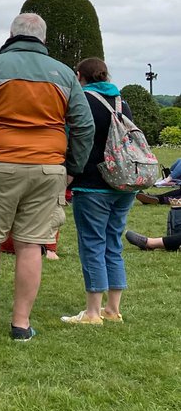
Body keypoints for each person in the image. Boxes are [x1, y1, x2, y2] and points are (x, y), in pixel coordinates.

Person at [0, 12, 94, 340]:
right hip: (48, 168)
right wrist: (72, 167)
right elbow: (84, 125)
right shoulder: (63, 74)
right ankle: (21, 324)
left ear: (11, 35)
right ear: (43, 39)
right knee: (32, 245)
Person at [61, 57, 138, 325]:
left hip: (92, 183)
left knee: (92, 244)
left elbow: (71, 137)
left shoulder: (82, 101)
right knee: (113, 244)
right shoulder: (121, 101)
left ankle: (92, 312)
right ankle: (113, 309)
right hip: (124, 182)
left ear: (79, 75)